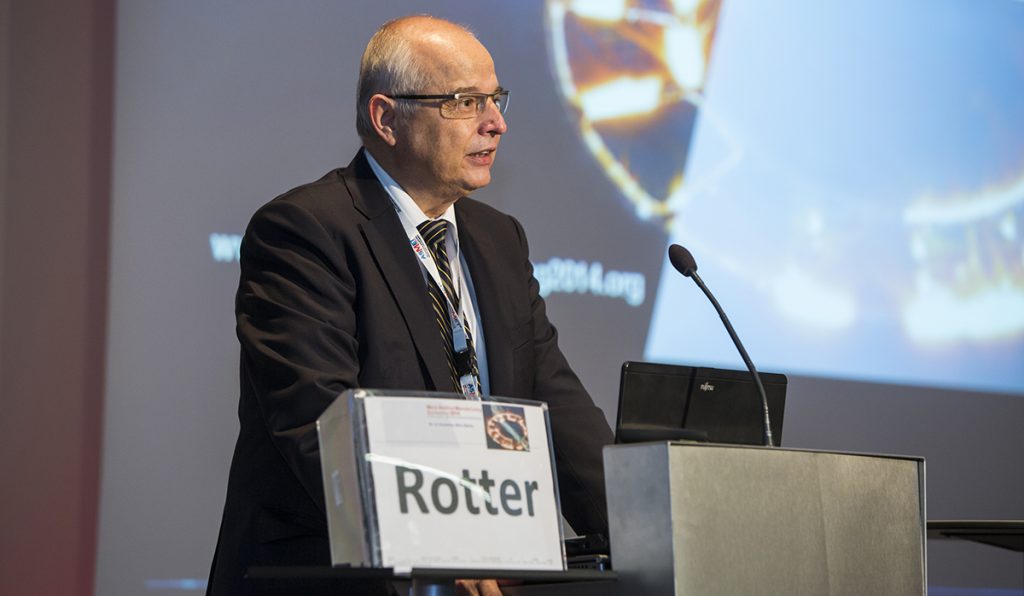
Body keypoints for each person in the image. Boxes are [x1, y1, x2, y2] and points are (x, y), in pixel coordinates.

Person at [207, 15, 614, 596]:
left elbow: (558, 411)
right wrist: (438, 544)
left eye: (495, 99)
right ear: (386, 118)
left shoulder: (499, 240)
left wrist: (651, 530)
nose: (496, 124)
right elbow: (320, 421)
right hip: (334, 580)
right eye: (465, 102)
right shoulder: (305, 230)